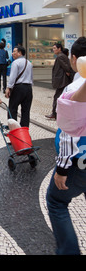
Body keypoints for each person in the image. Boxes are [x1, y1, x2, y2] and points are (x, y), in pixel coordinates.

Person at [46, 36, 86, 255]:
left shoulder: (74, 90)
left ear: (74, 59)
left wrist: (61, 169)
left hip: (79, 161)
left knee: (56, 202)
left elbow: (70, 134)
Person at [5, 45, 33, 127]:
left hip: (18, 88)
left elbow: (12, 77)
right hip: (28, 88)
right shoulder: (29, 63)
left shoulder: (15, 63)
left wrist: (8, 88)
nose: (13, 53)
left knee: (12, 109)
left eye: (14, 51)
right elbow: (31, 77)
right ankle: (24, 130)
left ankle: (14, 129)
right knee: (26, 111)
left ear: (20, 53)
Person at [45, 43, 72, 120]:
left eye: (54, 48)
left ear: (59, 48)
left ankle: (55, 113)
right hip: (62, 80)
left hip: (62, 81)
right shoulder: (62, 56)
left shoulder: (60, 57)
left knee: (57, 97)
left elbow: (67, 67)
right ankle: (56, 113)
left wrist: (67, 72)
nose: (53, 50)